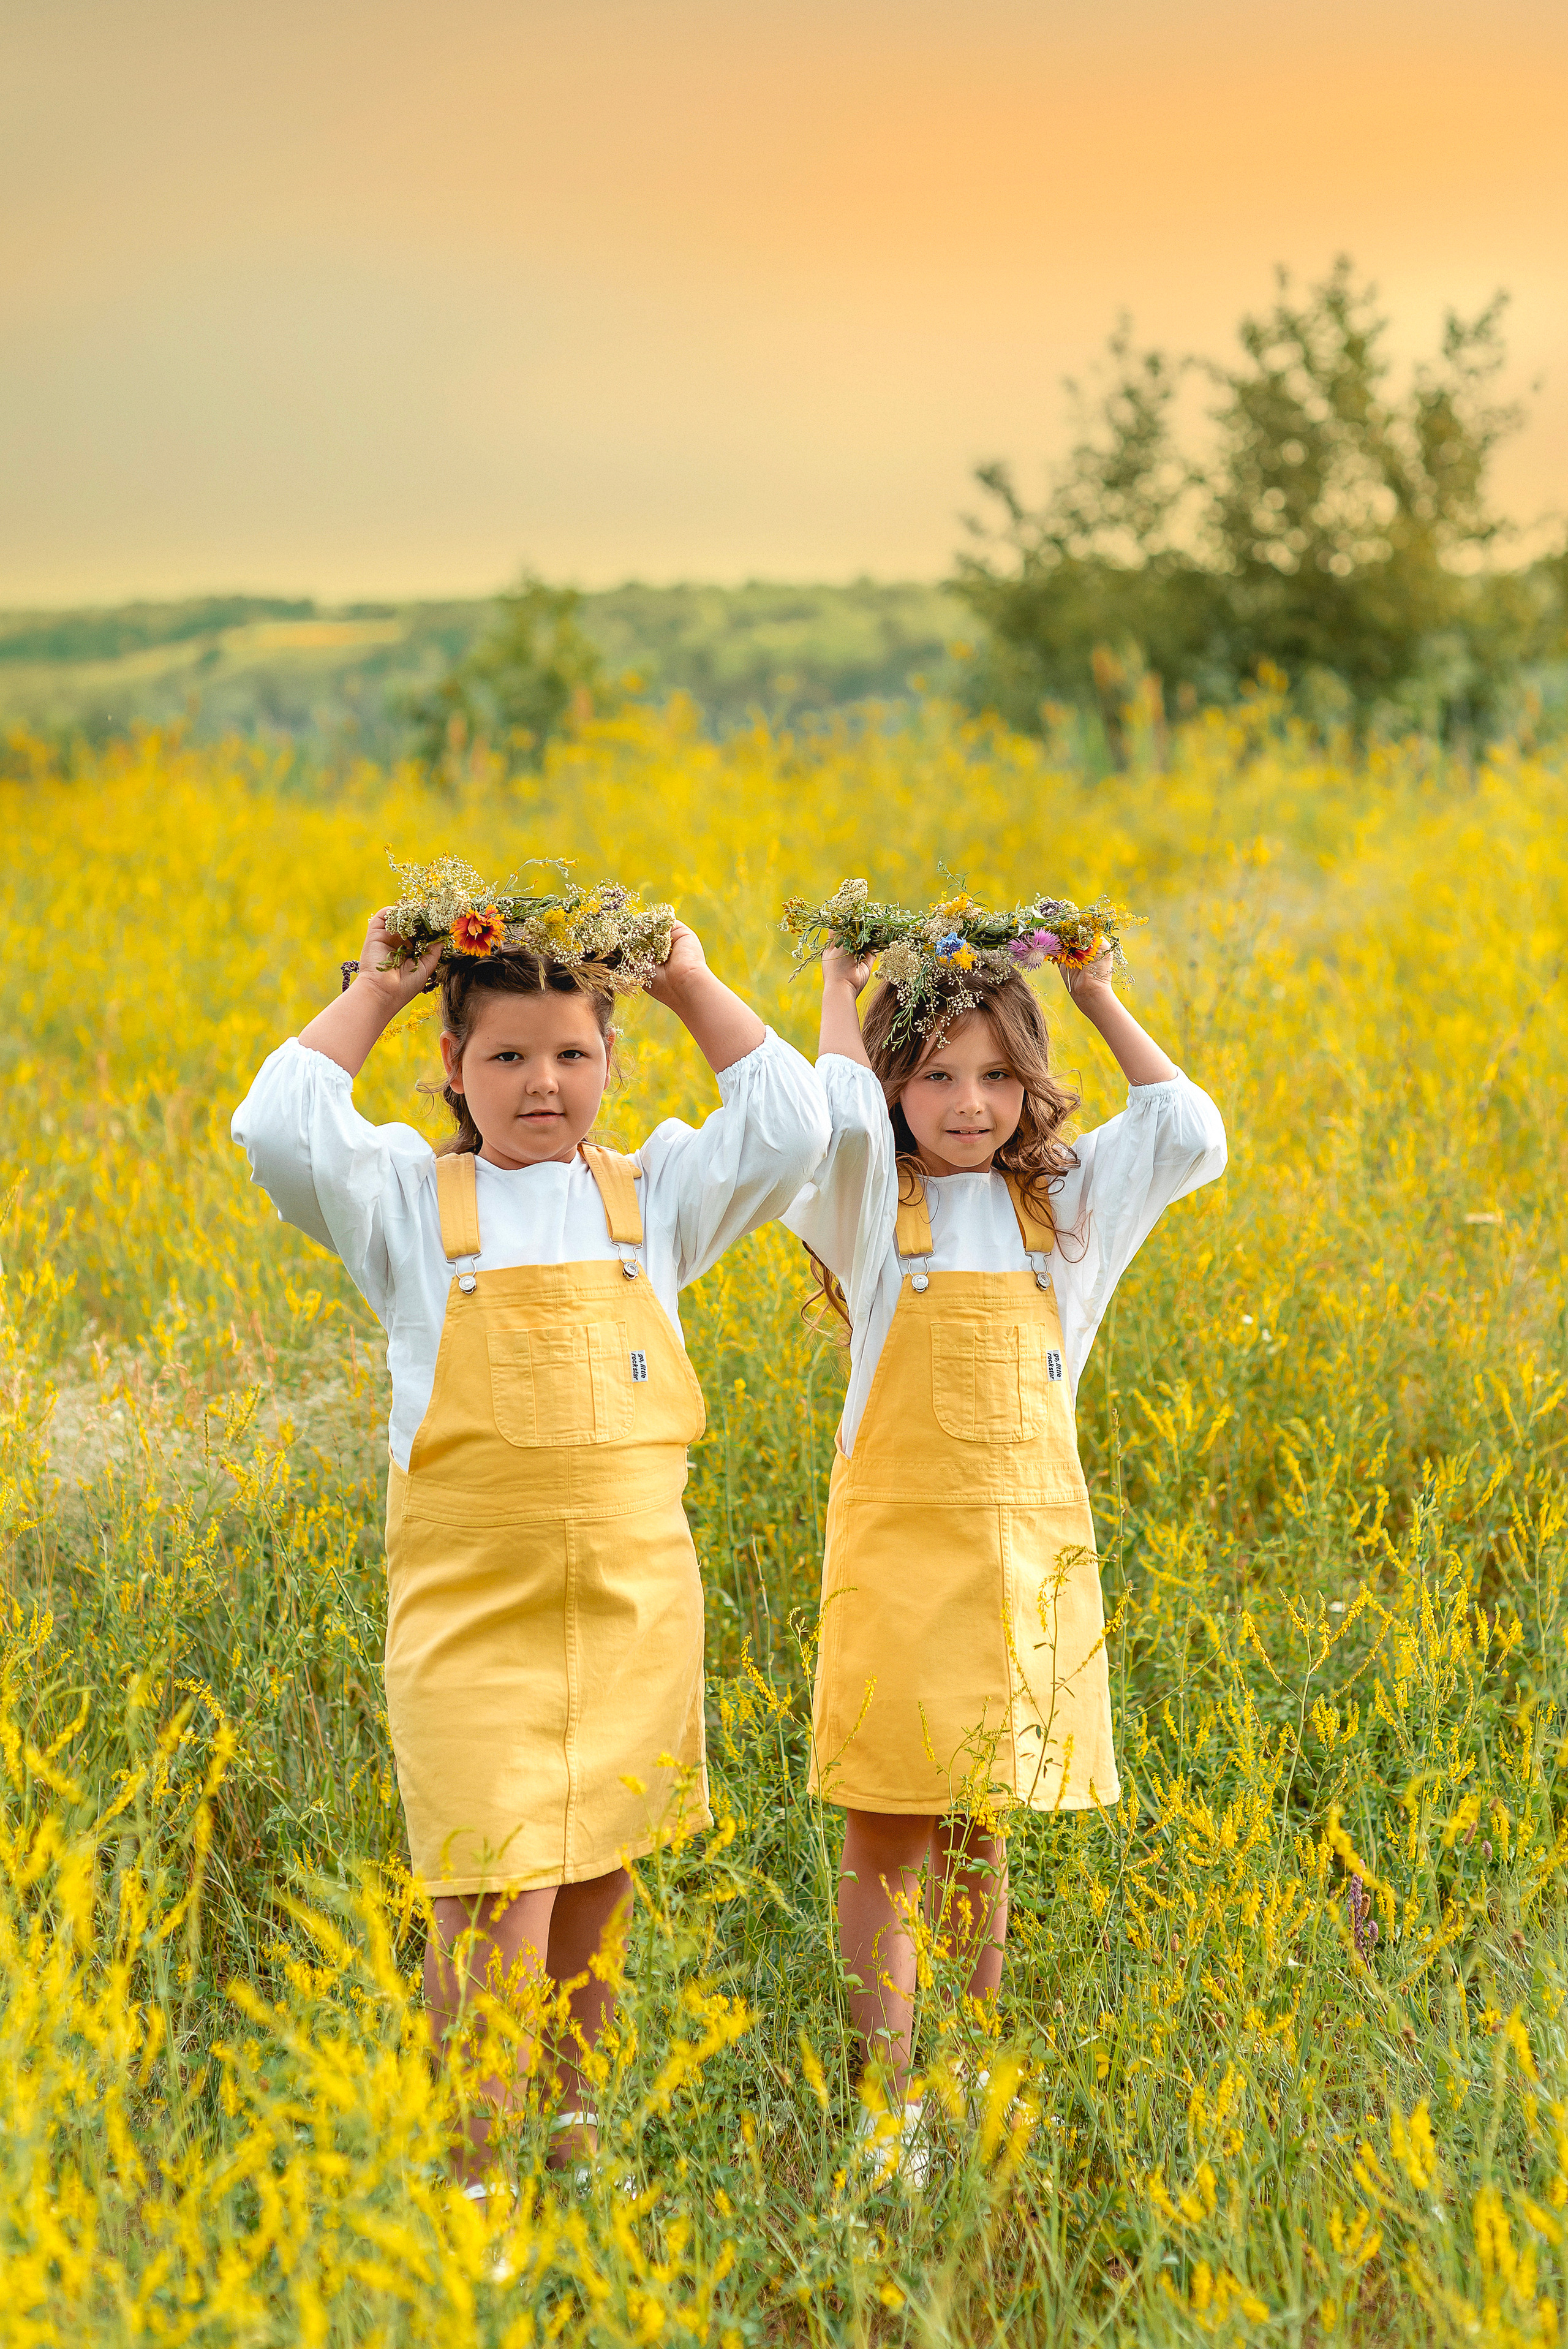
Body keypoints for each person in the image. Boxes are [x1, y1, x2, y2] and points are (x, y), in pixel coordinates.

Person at [232, 904, 829, 2184]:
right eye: (504, 1057)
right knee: (491, 1896)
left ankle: (572, 2139)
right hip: (472, 1614)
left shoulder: (654, 1198)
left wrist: (686, 977)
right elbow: (278, 1127)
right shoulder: (405, 1201)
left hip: (629, 1603)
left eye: (569, 1054)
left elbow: (793, 1126)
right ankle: (477, 2178)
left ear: (611, 1061)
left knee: (598, 1884)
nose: (541, 1085)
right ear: (451, 1067)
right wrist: (383, 983)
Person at [783, 935, 1226, 2179]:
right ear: (890, 1091)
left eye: (993, 1075)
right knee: (887, 1833)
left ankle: (968, 2073)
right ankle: (884, 2109)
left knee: (983, 1828)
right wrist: (835, 987)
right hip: (895, 1559)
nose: (968, 1105)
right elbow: (827, 1133)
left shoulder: (1067, 1208)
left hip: (1021, 1551)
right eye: (932, 1077)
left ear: (1031, 1083)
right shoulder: (873, 1208)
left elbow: (1187, 1128)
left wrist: (1093, 991)